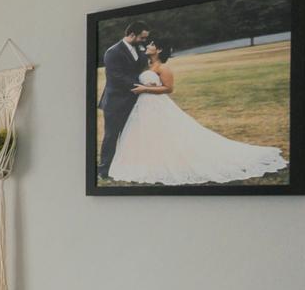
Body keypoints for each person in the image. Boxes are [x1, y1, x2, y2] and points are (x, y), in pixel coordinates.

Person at [107, 43, 287, 185]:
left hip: (156, 104)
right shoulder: (146, 65)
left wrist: (145, 88)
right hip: (143, 106)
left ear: (159, 50)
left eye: (152, 44)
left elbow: (169, 88)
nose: (148, 46)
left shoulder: (163, 68)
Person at [96, 25, 151, 181]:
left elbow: (141, 67)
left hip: (134, 100)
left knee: (130, 134)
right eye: (142, 37)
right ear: (132, 34)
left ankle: (126, 166)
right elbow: (116, 77)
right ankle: (104, 169)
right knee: (111, 135)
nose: (144, 40)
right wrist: (141, 86)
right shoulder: (113, 52)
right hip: (116, 101)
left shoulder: (139, 48)